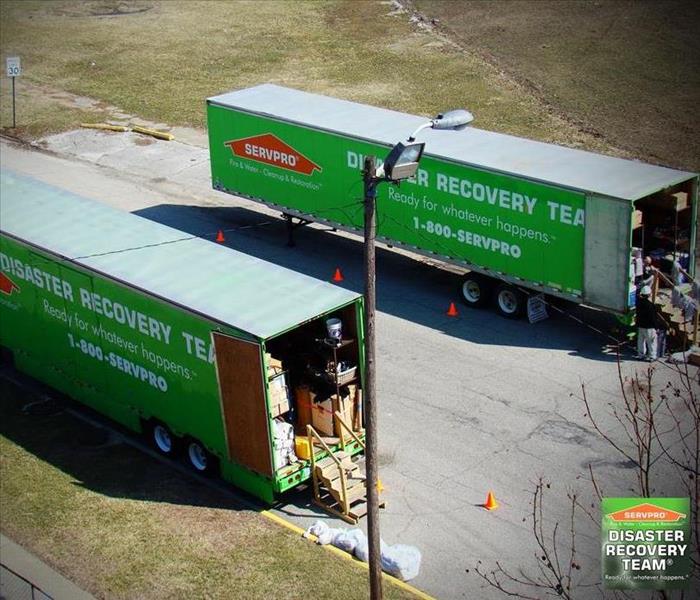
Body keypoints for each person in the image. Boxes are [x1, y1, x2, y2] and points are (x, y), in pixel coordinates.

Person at [636, 285, 661, 360]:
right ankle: (652, 356)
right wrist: (656, 327)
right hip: (649, 327)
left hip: (641, 326)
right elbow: (653, 318)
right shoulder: (651, 305)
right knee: (652, 342)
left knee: (641, 342)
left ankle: (641, 355)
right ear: (649, 294)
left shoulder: (639, 304)